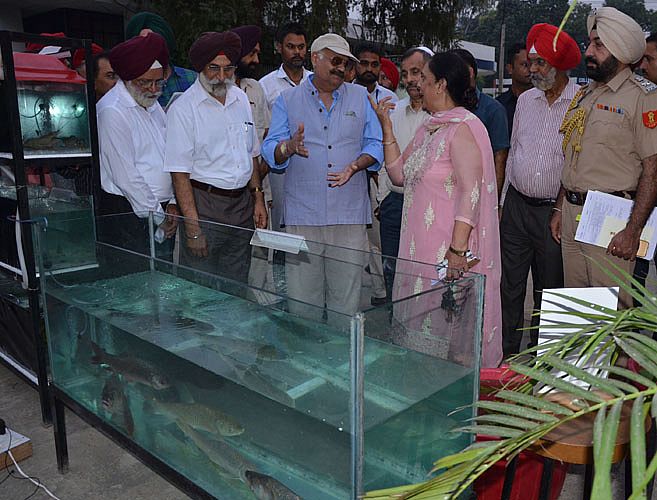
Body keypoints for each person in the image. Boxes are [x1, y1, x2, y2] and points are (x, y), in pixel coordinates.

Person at [371, 51, 502, 368]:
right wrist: (386, 127)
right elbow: (399, 175)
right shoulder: (430, 128)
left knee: (449, 346)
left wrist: (457, 251)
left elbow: (472, 192)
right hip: (418, 251)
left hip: (445, 256)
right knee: (419, 347)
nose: (416, 84)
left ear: (441, 85)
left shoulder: (463, 128)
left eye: (424, 79)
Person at [261, 33, 383, 323]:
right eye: (336, 61)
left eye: (345, 63)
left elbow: (375, 143)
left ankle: (341, 364)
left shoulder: (359, 97)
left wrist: (356, 165)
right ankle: (307, 362)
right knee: (303, 302)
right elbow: (269, 150)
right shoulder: (287, 100)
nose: (341, 68)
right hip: (303, 215)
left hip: (349, 216)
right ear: (316, 58)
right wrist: (288, 147)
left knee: (347, 302)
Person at [551, 7, 657, 309]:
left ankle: (620, 360)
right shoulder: (586, 94)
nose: (589, 51)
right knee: (579, 312)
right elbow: (574, 155)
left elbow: (653, 170)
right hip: (572, 215)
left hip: (613, 218)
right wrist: (560, 207)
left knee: (611, 316)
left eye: (599, 44)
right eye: (590, 43)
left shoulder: (643, 96)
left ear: (621, 50)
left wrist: (632, 230)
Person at [501, 24, 581, 357]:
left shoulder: (580, 102)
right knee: (510, 285)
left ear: (560, 65)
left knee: (549, 289)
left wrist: (561, 209)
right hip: (517, 207)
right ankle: (505, 354)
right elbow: (515, 150)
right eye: (531, 62)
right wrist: (503, 202)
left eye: (541, 63)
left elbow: (577, 163)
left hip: (554, 213)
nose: (533, 70)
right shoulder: (526, 101)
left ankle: (542, 362)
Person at [164, 31, 267, 286]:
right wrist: (193, 228)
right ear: (200, 67)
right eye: (214, 68)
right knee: (200, 293)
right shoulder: (183, 109)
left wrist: (258, 197)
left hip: (241, 207)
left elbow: (251, 153)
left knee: (237, 286)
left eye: (228, 69)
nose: (221, 77)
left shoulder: (241, 98)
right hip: (204, 208)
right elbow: (179, 174)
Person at [97, 33, 178, 253]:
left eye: (158, 82)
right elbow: (127, 176)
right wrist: (158, 216)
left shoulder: (151, 104)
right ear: (128, 79)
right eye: (145, 83)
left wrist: (172, 201)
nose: (154, 90)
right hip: (128, 215)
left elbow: (168, 153)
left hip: (159, 211)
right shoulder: (112, 111)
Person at [378, 47, 431, 300]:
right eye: (405, 73)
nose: (409, 79)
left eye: (416, 72)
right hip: (394, 204)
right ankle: (393, 326)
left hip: (430, 207)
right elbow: (383, 157)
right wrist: (382, 199)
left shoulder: (444, 115)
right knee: (392, 271)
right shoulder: (394, 111)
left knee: (424, 275)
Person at [232, 24, 277, 303]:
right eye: (252, 54)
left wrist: (256, 180)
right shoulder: (214, 91)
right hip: (227, 195)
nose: (256, 61)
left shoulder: (255, 89)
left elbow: (268, 136)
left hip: (259, 189)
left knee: (262, 255)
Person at [260, 22, 311, 233]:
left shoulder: (315, 82)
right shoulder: (266, 86)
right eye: (291, 46)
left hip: (311, 162)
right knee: (281, 226)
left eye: (301, 47)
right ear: (278, 47)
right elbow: (263, 132)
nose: (297, 52)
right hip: (279, 166)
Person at [451, 48, 509, 200]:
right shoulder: (443, 109)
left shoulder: (493, 110)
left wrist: (492, 203)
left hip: (479, 195)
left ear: (470, 72)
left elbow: (500, 159)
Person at [125, 12, 197, 108]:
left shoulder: (192, 79)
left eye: (154, 43)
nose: (148, 49)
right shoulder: (127, 86)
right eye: (142, 43)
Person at [496, 42, 532, 137]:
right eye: (524, 65)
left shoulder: (545, 103)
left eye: (532, 64)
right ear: (510, 68)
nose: (531, 69)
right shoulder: (499, 106)